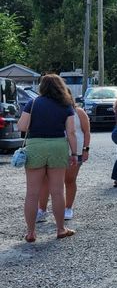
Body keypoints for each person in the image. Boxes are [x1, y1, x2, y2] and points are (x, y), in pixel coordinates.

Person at [17, 73, 78, 242]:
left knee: (32, 193)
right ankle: (60, 229)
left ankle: (31, 232)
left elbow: (22, 126)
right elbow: (71, 133)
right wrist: (74, 153)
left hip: (35, 145)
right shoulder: (66, 105)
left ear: (42, 87)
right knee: (58, 191)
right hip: (58, 146)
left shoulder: (33, 103)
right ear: (60, 87)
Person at [37, 100, 91, 223]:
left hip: (75, 149)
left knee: (69, 180)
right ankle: (42, 209)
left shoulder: (79, 112)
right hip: (53, 150)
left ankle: (68, 207)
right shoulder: (51, 110)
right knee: (45, 180)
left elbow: (87, 132)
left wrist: (86, 149)